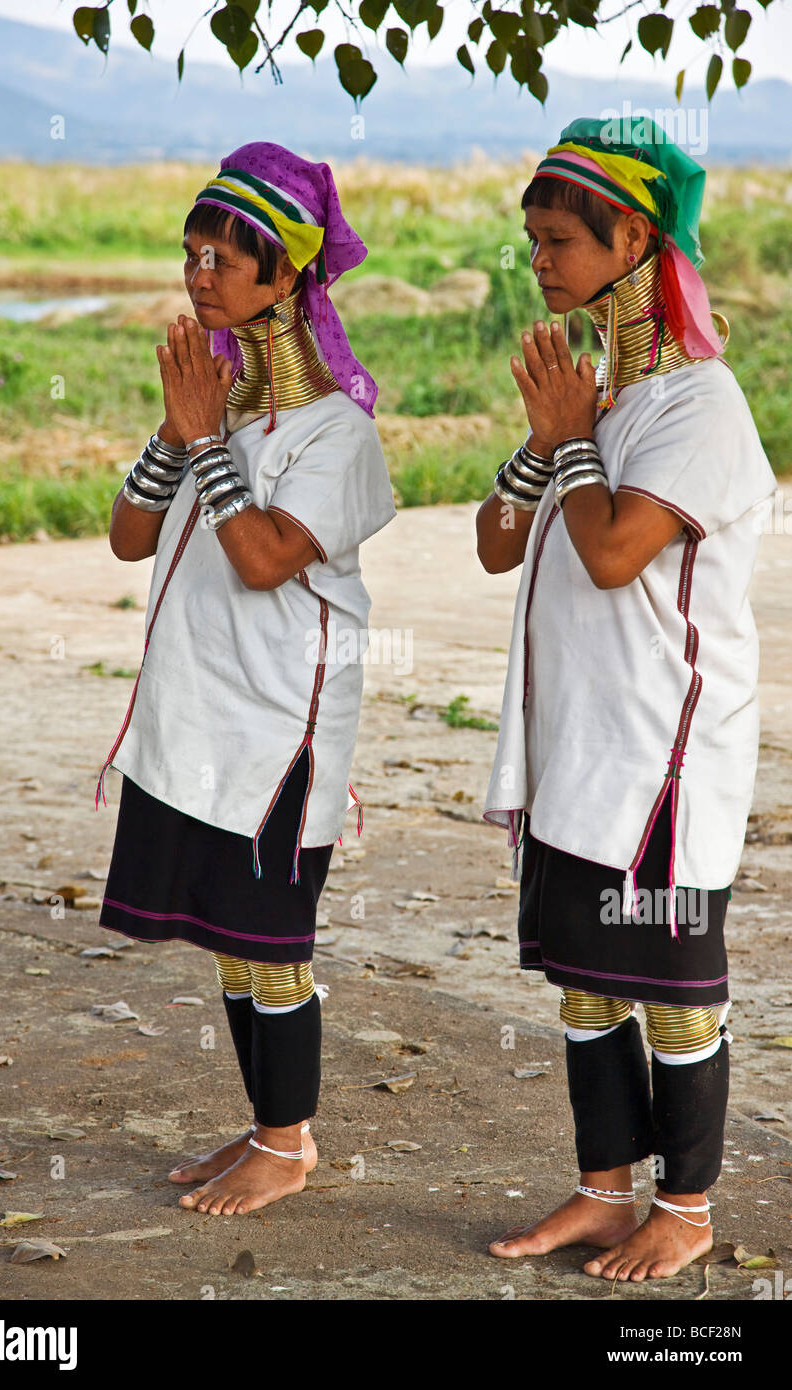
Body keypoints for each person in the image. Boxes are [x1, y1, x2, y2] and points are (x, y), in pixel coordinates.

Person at [476, 117, 777, 1281]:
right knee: (586, 977)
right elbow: (501, 543)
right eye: (532, 241)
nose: (539, 263)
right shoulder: (602, 399)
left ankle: (685, 1209)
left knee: (670, 989)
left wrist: (570, 440)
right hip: (578, 743)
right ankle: (604, 1190)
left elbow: (610, 554)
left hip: (662, 754)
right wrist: (552, 439)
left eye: (558, 241)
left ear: (635, 240)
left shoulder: (699, 407)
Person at [95, 143, 396, 1217]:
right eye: (192, 251)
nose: (201, 271)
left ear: (288, 277)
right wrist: (186, 436)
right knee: (229, 942)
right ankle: (269, 1122)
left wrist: (202, 443)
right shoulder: (213, 406)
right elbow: (131, 536)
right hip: (200, 716)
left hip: (278, 730)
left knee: (273, 945)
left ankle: (291, 1140)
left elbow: (265, 554)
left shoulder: (336, 431)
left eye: (227, 255)